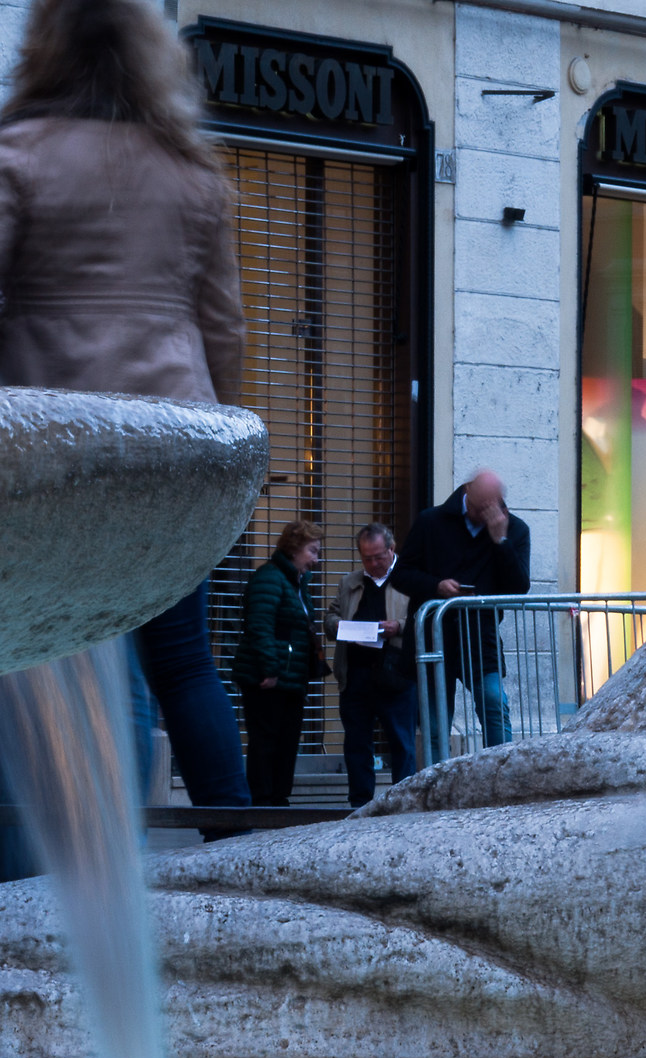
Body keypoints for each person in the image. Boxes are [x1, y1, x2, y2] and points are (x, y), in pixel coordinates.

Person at [0, 0, 252, 818]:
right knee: (183, 662)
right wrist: (221, 429)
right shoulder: (192, 173)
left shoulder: (18, 157)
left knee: (70, 656)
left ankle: (73, 883)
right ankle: (235, 849)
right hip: (177, 445)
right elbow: (226, 327)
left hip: (54, 456)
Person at [393, 470, 530, 749]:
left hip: (481, 637)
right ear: (468, 492)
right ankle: (439, 785)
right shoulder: (431, 521)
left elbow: (519, 586)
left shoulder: (513, 528)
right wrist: (436, 586)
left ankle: (502, 780)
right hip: (434, 636)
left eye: (495, 504)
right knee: (434, 723)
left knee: (494, 707)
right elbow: (401, 574)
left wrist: (500, 541)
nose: (489, 512)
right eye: (482, 506)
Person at [229, 521, 322, 807]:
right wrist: (270, 670)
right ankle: (263, 798)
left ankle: (278, 797)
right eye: (313, 551)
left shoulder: (296, 582)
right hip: (271, 677)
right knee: (267, 738)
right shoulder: (270, 579)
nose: (316, 559)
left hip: (291, 677)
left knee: (287, 738)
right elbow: (260, 626)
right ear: (294, 549)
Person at [332, 523, 417, 809]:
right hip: (356, 673)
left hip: (396, 673)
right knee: (357, 743)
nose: (373, 563)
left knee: (401, 742)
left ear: (391, 550)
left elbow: (425, 617)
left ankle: (402, 803)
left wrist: (399, 626)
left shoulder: (410, 577)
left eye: (378, 556)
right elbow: (331, 616)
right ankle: (359, 803)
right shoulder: (350, 582)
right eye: (366, 558)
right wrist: (339, 626)